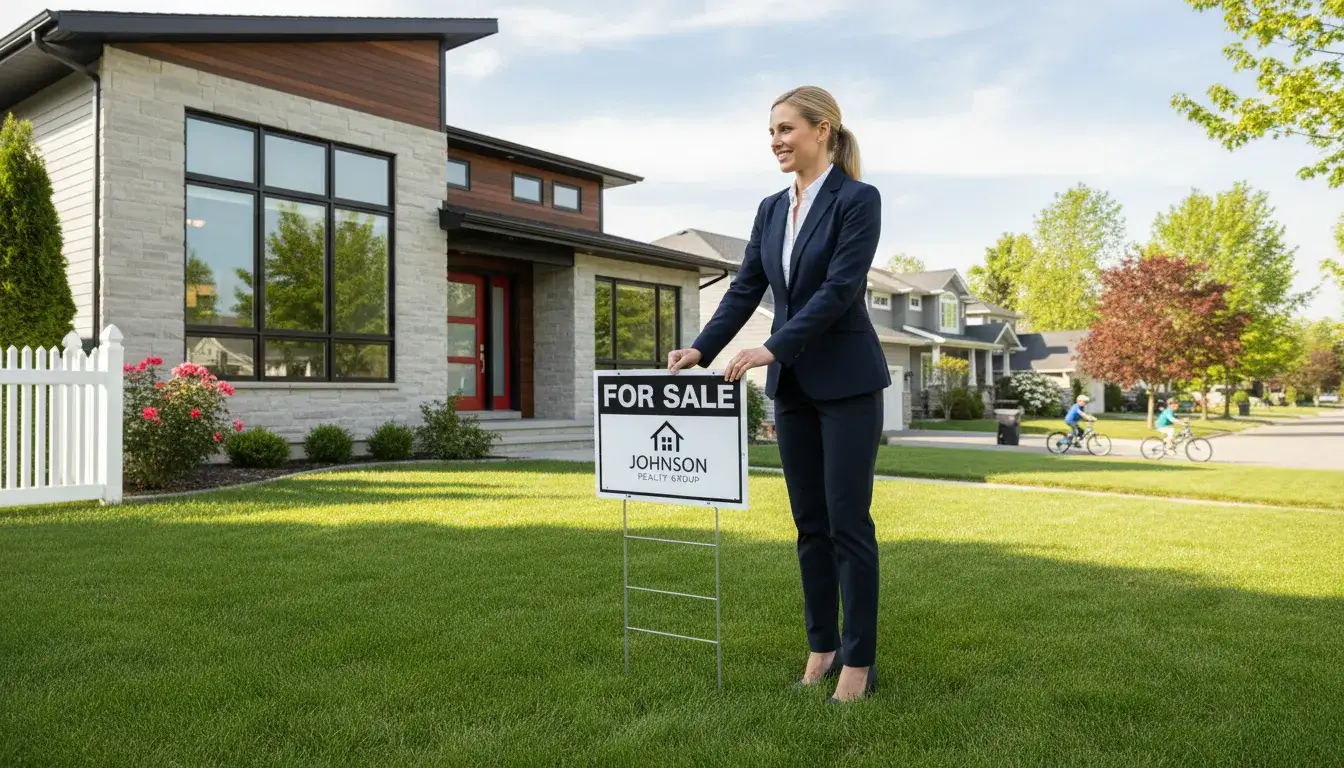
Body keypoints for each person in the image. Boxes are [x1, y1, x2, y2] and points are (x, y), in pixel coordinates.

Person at [666, 85, 887, 703]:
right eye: (770, 132)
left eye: (786, 129)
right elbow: (745, 287)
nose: (776, 142)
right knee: (809, 524)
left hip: (847, 383)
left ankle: (859, 661)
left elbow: (840, 289)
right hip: (793, 387)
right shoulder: (770, 209)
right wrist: (702, 349)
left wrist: (773, 347)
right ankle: (822, 646)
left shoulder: (857, 200)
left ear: (823, 130)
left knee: (848, 523)